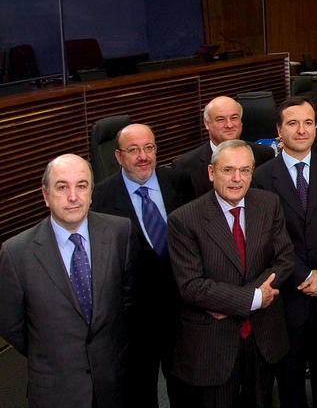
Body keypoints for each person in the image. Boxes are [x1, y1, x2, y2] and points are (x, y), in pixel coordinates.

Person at [0, 154, 136, 408]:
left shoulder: (120, 232)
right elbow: (11, 325)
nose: (73, 196)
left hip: (114, 381)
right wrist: (52, 350)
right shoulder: (16, 252)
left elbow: (127, 304)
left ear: (91, 192)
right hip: (57, 388)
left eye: (81, 186)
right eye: (62, 187)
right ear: (45, 195)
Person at [167, 140, 294, 408]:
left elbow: (283, 260)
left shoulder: (268, 203)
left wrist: (243, 300)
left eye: (245, 170)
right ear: (212, 173)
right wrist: (252, 299)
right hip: (214, 345)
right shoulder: (184, 220)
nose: (237, 179)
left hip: (263, 338)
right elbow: (192, 286)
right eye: (228, 170)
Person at [251, 98, 317, 408]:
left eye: (308, 122)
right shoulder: (261, 177)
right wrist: (305, 274)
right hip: (288, 294)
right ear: (279, 131)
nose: (302, 130)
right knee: (290, 379)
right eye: (293, 123)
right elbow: (269, 237)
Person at [91, 124, 195, 408]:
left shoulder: (179, 181)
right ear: (118, 156)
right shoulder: (100, 198)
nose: (143, 156)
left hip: (181, 311)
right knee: (139, 392)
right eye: (133, 150)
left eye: (149, 148)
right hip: (134, 320)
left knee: (186, 390)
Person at [172, 96, 276, 197]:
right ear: (207, 124)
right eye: (221, 119)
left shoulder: (265, 155)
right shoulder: (185, 166)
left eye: (234, 118)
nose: (229, 125)